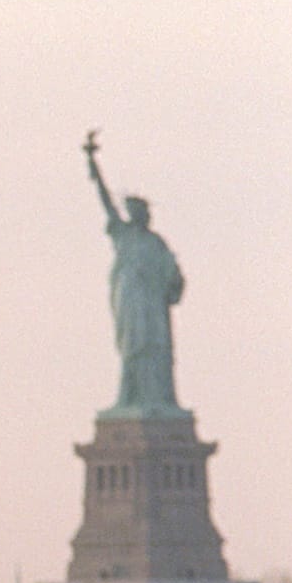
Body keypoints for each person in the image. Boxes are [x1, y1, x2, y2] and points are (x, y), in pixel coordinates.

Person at [83, 133, 186, 413]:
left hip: (153, 304)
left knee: (158, 349)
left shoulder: (156, 243)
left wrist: (174, 282)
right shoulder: (123, 234)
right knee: (133, 348)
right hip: (131, 299)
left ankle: (161, 400)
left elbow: (174, 276)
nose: (139, 214)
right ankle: (129, 398)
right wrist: (93, 165)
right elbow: (106, 202)